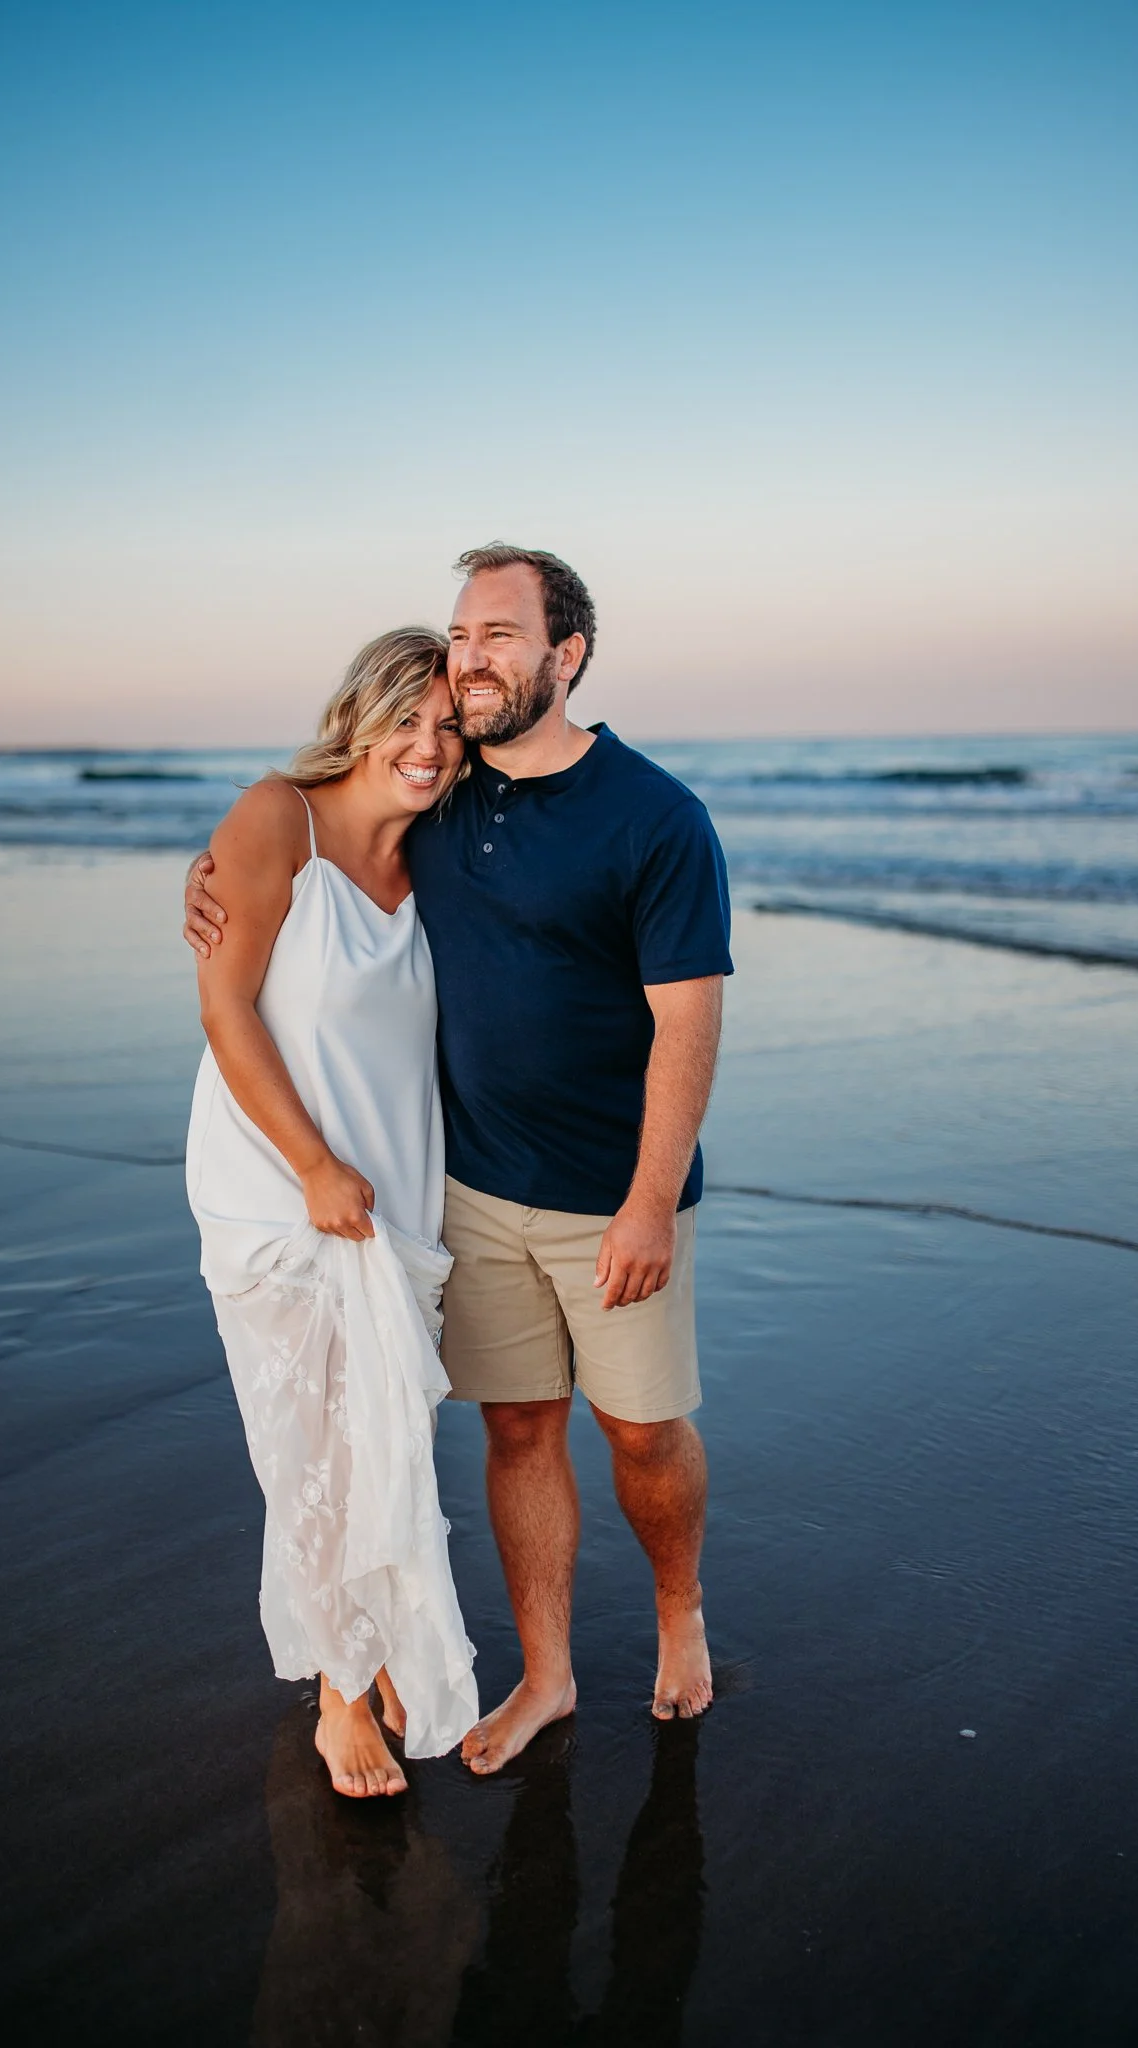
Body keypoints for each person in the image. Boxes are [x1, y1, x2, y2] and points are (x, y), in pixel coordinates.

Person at [187, 545, 732, 1774]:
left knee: (642, 1432)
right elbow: (292, 865)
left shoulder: (653, 817)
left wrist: (652, 1199)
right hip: (458, 1189)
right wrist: (215, 872)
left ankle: (680, 1609)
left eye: (499, 636)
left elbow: (690, 1022)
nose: (468, 670)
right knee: (502, 1432)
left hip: (605, 1196)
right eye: (462, 634)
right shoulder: (440, 797)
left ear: (566, 654)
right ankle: (540, 1675)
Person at [186, 626, 477, 1800]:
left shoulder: (440, 851)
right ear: (359, 717)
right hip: (279, 1191)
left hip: (396, 1197)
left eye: (449, 726)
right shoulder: (278, 818)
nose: (429, 745)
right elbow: (226, 1008)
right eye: (407, 719)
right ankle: (340, 1695)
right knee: (312, 1448)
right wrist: (311, 1164)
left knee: (389, 1439)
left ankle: (383, 1644)